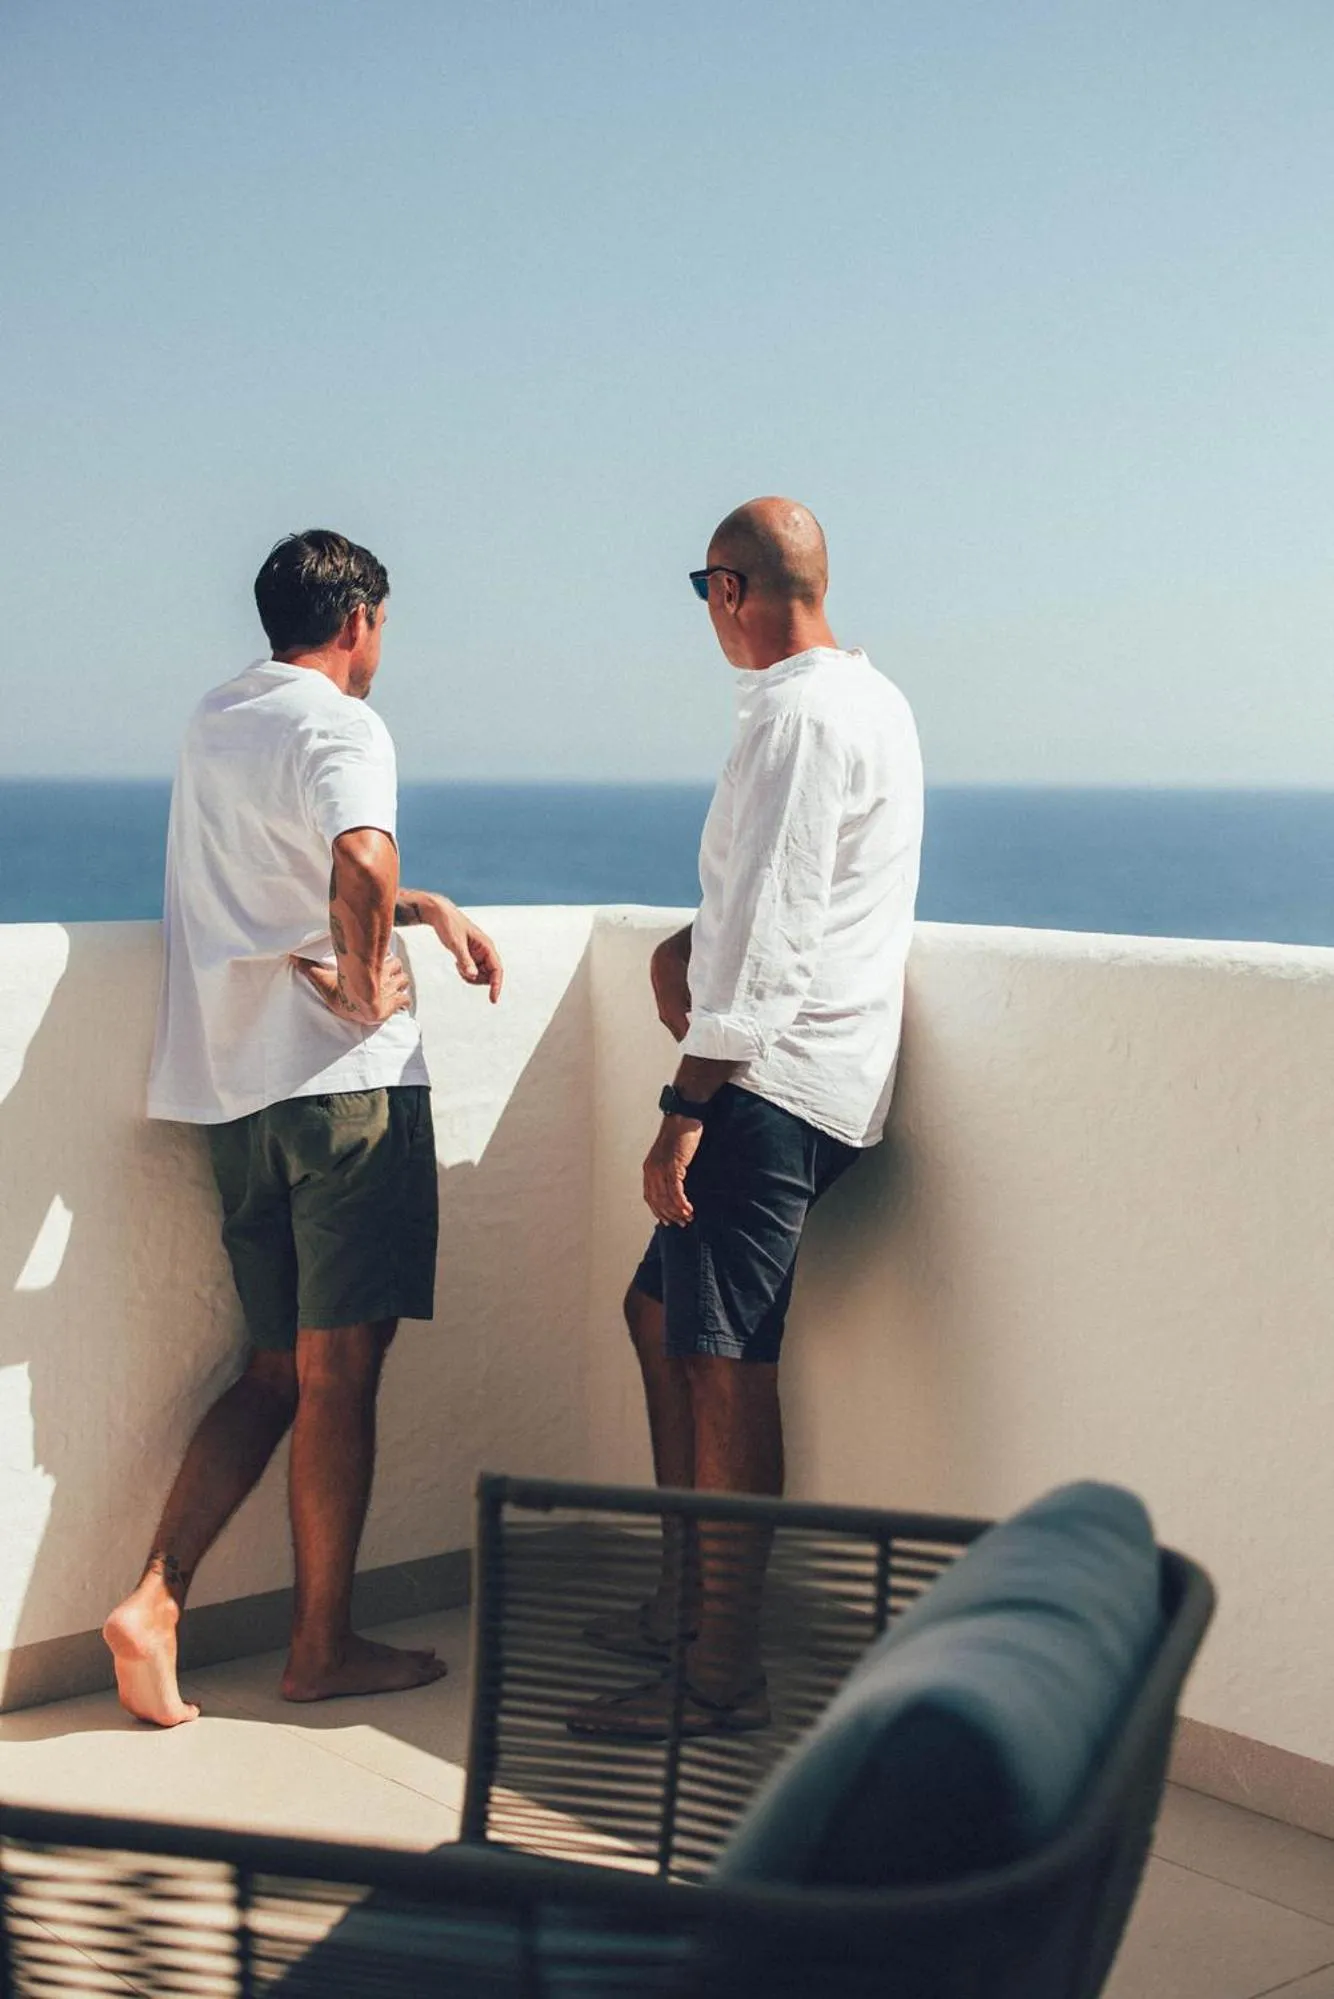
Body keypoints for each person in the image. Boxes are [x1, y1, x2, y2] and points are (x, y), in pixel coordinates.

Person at [104, 529, 503, 1727]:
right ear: (360, 620)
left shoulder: (217, 716)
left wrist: (409, 905)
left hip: (234, 1097)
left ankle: (156, 1600)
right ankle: (319, 1645)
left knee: (276, 1369)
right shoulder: (344, 722)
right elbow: (357, 858)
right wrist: (365, 974)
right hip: (344, 1092)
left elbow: (293, 870)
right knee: (340, 1380)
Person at [576, 497, 923, 1739]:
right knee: (660, 1311)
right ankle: (686, 1602)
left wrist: (685, 1102)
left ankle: (719, 1669)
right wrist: (689, 952)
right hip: (812, 1070)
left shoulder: (793, 713)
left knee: (723, 1370)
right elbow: (778, 903)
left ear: (729, 590)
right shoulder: (869, 697)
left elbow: (770, 935)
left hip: (766, 1085)